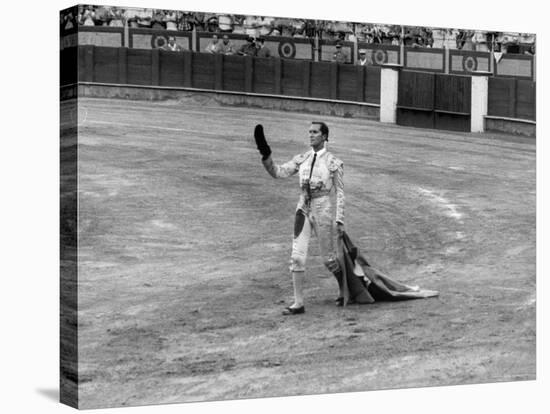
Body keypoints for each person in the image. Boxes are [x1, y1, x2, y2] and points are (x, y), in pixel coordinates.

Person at [253, 122, 345, 315]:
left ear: (325, 136)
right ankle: (298, 302)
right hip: (303, 207)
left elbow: (341, 193)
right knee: (296, 257)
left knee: (329, 260)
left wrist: (340, 219)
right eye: (309, 132)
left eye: (315, 132)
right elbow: (278, 172)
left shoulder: (333, 162)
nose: (311, 135)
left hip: (323, 209)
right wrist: (265, 153)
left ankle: (344, 290)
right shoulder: (302, 158)